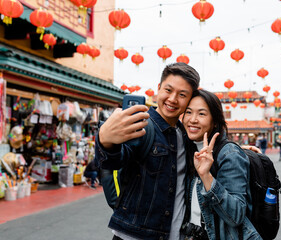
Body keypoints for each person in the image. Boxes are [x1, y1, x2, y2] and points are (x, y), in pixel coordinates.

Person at [95, 62, 200, 240]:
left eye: (182, 95)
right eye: (168, 90)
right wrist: (105, 140)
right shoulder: (141, 126)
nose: (173, 99)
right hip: (134, 235)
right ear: (158, 88)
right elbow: (115, 159)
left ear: (190, 99)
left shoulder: (185, 134)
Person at [181, 89, 261, 240]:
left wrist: (206, 176)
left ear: (215, 121)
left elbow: (236, 216)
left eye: (202, 114)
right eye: (188, 112)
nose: (192, 119)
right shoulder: (187, 148)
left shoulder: (229, 154)